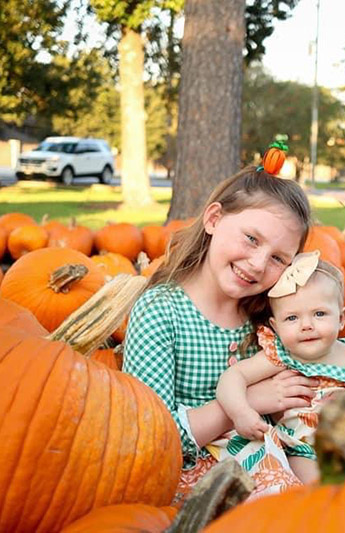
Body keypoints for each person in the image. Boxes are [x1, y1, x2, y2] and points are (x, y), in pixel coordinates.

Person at [123, 159, 322, 501]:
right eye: (251, 239)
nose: (258, 264)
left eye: (279, 259)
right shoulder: (161, 311)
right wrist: (246, 402)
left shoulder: (267, 316)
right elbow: (152, 435)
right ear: (214, 219)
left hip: (266, 459)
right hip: (185, 475)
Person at [216, 251, 345, 484]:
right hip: (305, 450)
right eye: (292, 318)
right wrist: (240, 412)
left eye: (319, 314)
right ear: (276, 326)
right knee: (319, 492)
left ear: (341, 319)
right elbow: (233, 376)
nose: (307, 326)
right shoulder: (282, 355)